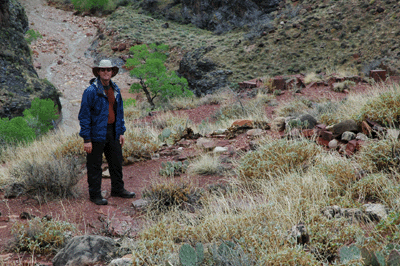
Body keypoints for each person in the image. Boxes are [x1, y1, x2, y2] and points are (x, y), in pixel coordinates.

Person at [78, 59, 136, 205]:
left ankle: (118, 189)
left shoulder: (115, 89)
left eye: (108, 70)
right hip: (96, 133)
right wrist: (86, 139)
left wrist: (121, 132)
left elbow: (119, 112)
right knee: (95, 165)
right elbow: (84, 116)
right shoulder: (90, 91)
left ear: (112, 72)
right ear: (98, 72)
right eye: (103, 70)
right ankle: (95, 194)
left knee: (116, 162)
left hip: (113, 132)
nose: (106, 72)